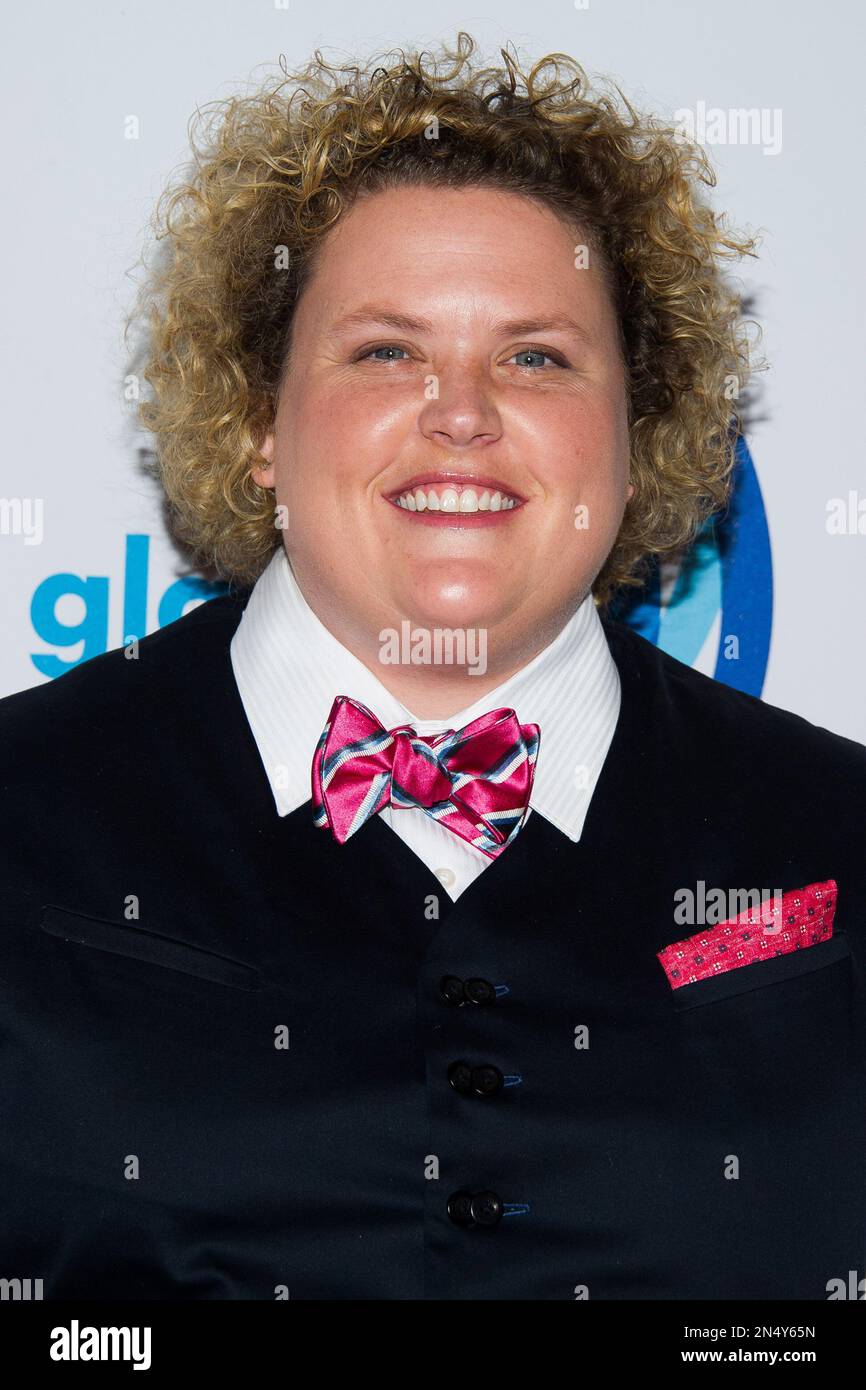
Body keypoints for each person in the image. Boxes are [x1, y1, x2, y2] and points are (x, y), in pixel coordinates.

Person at [1, 32, 864, 1301]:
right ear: (256, 422)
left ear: (636, 437)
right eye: (383, 350)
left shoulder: (837, 830)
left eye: (535, 356)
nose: (460, 411)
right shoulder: (21, 811)